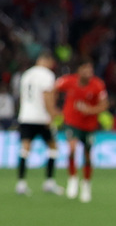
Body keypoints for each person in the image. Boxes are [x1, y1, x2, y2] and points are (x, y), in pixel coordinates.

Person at [56, 61, 109, 203]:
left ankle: (86, 185)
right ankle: (72, 179)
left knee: (88, 155)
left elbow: (104, 105)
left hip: (89, 125)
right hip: (72, 122)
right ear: (79, 70)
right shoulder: (68, 81)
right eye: (85, 68)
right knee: (72, 149)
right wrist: (54, 110)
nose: (88, 72)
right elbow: (53, 89)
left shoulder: (98, 85)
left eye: (90, 69)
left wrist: (89, 110)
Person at [14, 52, 63, 197]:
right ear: (46, 60)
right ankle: (49, 182)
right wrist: (52, 114)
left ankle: (21, 183)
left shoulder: (26, 74)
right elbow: (47, 96)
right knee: (53, 147)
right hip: (42, 118)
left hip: (26, 116)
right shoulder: (47, 75)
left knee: (25, 148)